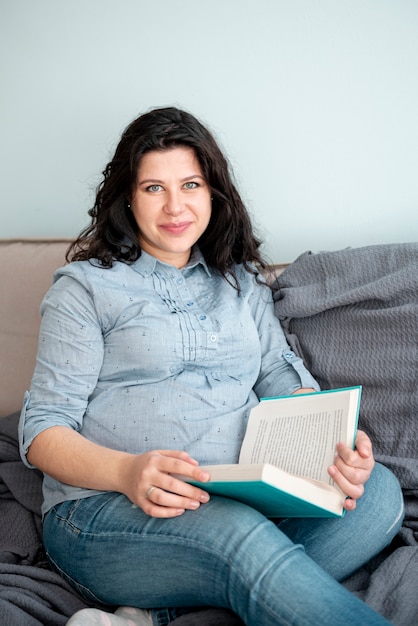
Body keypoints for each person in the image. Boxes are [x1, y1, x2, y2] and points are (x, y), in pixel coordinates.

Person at [19, 106, 404, 626]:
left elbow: (278, 375)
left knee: (377, 494)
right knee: (241, 538)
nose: (175, 206)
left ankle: (151, 617)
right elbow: (42, 430)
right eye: (154, 187)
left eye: (191, 184)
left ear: (213, 192)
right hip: (108, 512)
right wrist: (127, 472)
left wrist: (332, 446)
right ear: (128, 198)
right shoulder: (86, 288)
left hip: (243, 499)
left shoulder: (240, 282)